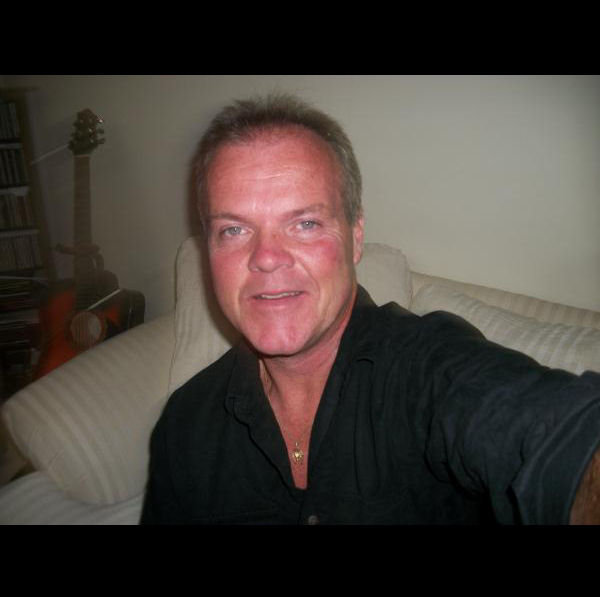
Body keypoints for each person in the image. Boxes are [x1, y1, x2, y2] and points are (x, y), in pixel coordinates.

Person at [140, 93, 600, 525]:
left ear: (356, 237)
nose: (266, 257)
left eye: (304, 223)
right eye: (234, 230)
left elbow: (551, 433)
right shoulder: (185, 425)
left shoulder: (426, 370)